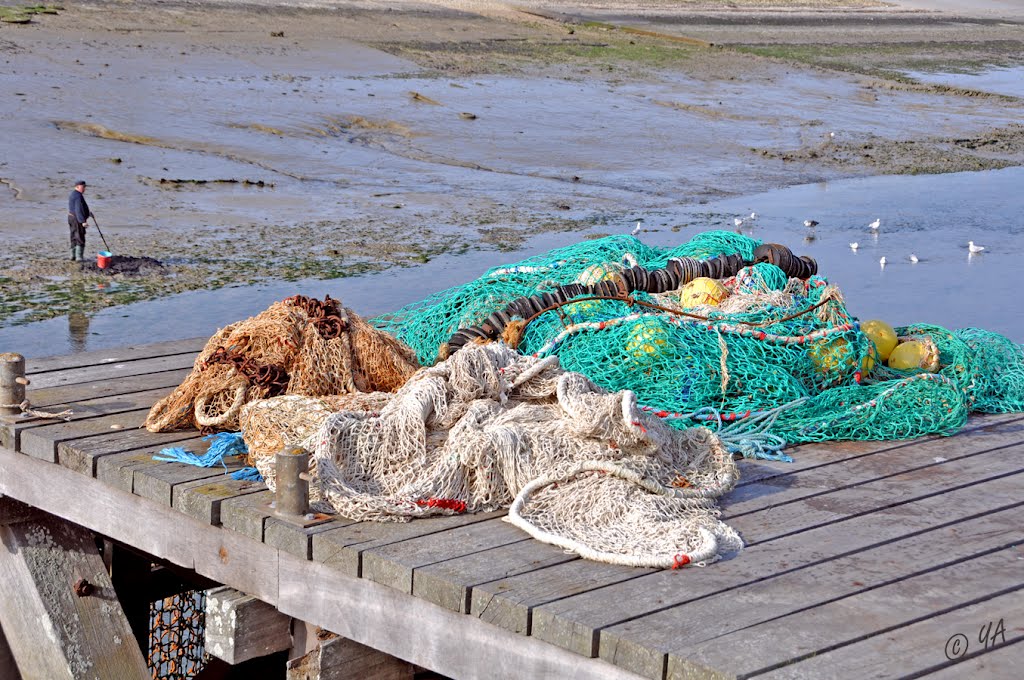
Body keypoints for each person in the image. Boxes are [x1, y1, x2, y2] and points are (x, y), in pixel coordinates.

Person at [67, 180, 93, 261]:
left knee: (73, 236)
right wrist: (83, 221)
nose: (84, 188)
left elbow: (76, 208)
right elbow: (79, 209)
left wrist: (88, 213)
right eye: (83, 187)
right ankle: (79, 257)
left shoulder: (73, 194)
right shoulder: (78, 196)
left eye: (85, 187)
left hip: (71, 217)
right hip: (77, 219)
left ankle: (72, 256)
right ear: (77, 186)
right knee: (80, 236)